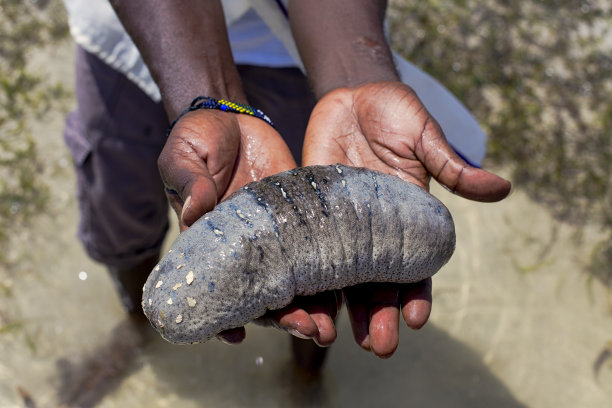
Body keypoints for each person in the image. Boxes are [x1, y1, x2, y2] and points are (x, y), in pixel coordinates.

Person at [63, 0, 511, 366]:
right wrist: (207, 93)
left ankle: (305, 373)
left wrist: (353, 76)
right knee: (119, 214)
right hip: (142, 27)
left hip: (306, 38)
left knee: (318, 308)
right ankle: (136, 333)